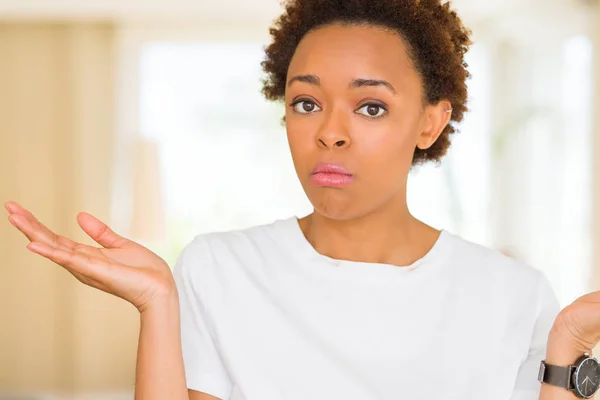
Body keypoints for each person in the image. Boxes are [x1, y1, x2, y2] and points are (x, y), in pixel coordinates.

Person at [5, 0, 600, 399]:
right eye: (306, 103)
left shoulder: (513, 294)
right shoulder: (220, 269)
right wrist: (158, 305)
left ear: (430, 122)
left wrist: (569, 347)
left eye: (371, 106)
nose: (329, 133)